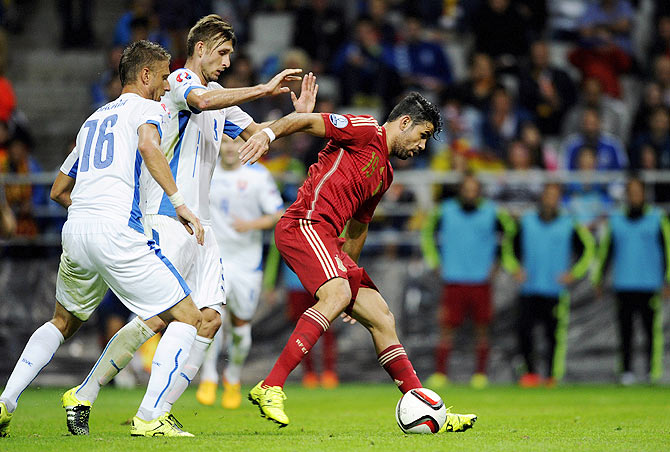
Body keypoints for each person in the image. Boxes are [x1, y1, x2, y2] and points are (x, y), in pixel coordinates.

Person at [60, 14, 317, 436]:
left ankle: (150, 407)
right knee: (164, 320)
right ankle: (99, 398)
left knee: (209, 320)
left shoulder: (222, 97)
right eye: (222, 52)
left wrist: (297, 121)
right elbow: (199, 101)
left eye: (231, 54)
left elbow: (257, 135)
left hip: (202, 226)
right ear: (200, 49)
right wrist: (265, 88)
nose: (227, 61)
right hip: (167, 216)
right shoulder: (178, 81)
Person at [0, 40, 206, 438]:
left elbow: (60, 190)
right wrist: (179, 203)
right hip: (117, 230)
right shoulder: (148, 110)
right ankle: (150, 417)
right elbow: (148, 145)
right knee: (190, 317)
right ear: (145, 75)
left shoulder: (93, 119)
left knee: (62, 321)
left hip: (76, 230)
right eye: (163, 77)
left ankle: (6, 400)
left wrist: (90, 213)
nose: (166, 86)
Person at [238, 92, 477, 432]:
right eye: (422, 136)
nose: (423, 147)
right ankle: (271, 385)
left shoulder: (385, 174)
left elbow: (358, 228)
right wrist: (267, 134)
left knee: (382, 317)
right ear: (404, 122)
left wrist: (347, 282)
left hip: (329, 238)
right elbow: (306, 121)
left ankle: (427, 407)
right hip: (303, 223)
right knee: (335, 296)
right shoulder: (364, 130)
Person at [195, 136, 284, 409]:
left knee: (241, 329)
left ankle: (232, 377)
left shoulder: (257, 176)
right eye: (224, 143)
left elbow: (278, 214)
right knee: (211, 318)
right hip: (215, 259)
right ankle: (208, 377)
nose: (230, 148)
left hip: (247, 264)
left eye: (235, 143)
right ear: (218, 145)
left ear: (244, 146)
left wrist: (252, 224)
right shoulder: (205, 173)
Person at [421, 173, 517, 389]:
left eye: (474, 190)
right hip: (453, 278)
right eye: (466, 189)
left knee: (482, 328)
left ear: (479, 192)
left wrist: (501, 262)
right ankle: (440, 374)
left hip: (481, 279)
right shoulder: (444, 211)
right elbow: (427, 234)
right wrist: (434, 261)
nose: (470, 193)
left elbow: (512, 233)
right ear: (460, 191)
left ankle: (480, 375)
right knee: (446, 328)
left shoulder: (493, 212)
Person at [510, 184, 595, 387]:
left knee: (553, 335)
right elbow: (509, 247)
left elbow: (588, 249)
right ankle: (529, 374)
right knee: (525, 333)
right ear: (542, 197)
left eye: (554, 196)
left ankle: (551, 376)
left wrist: (573, 274)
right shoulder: (527, 222)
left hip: (555, 291)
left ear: (559, 200)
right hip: (529, 288)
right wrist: (515, 268)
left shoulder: (569, 223)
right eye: (547, 195)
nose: (550, 200)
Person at [591, 178, 670, 385]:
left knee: (651, 331)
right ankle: (626, 372)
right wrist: (598, 278)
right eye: (631, 192)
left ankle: (653, 372)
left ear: (644, 194)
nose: (635, 195)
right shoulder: (616, 221)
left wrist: (667, 280)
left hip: (649, 284)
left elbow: (667, 250)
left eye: (638, 191)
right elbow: (605, 252)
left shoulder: (657, 218)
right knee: (625, 331)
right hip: (624, 284)